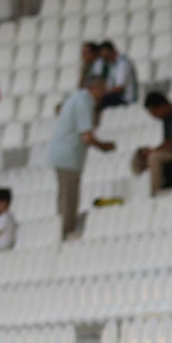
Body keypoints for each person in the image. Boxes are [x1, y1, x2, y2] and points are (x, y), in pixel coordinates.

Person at [49, 77, 116, 238]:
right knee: (69, 196)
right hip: (69, 155)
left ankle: (62, 230)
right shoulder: (84, 103)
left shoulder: (77, 99)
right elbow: (86, 136)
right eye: (103, 88)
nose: (104, 92)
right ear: (95, 88)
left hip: (62, 154)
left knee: (64, 195)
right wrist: (104, 146)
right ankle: (67, 231)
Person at [131, 91, 172, 195]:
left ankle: (155, 193)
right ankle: (139, 191)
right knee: (138, 157)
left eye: (154, 112)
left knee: (154, 158)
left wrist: (156, 151)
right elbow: (167, 141)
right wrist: (152, 149)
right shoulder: (166, 118)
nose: (154, 116)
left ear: (162, 106)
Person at [98, 41, 137, 109]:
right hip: (117, 96)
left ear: (112, 50)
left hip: (126, 98)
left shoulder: (123, 63)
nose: (105, 58)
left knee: (101, 100)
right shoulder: (112, 66)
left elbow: (119, 88)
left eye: (106, 55)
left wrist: (103, 93)